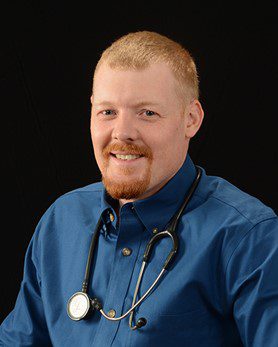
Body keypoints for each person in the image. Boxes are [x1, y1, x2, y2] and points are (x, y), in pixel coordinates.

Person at [0, 31, 277, 347]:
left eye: (147, 113)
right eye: (108, 112)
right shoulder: (61, 221)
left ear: (191, 119)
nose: (122, 132)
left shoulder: (248, 236)